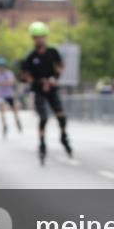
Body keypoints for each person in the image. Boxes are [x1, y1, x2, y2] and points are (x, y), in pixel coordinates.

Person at [20, 21, 72, 164]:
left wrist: (54, 78)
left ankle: (63, 136)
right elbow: (26, 76)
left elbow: (60, 66)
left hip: (52, 88)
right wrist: (39, 82)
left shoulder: (52, 52)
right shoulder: (30, 57)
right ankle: (42, 143)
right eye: (37, 37)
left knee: (61, 116)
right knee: (43, 118)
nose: (40, 39)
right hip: (39, 90)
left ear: (45, 37)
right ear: (33, 38)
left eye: (42, 36)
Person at [0, 57, 23, 136]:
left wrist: (2, 83)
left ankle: (17, 121)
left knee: (14, 110)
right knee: (2, 111)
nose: (1, 68)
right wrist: (3, 83)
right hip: (0, 95)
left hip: (9, 94)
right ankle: (4, 125)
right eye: (0, 66)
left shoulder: (9, 73)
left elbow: (11, 82)